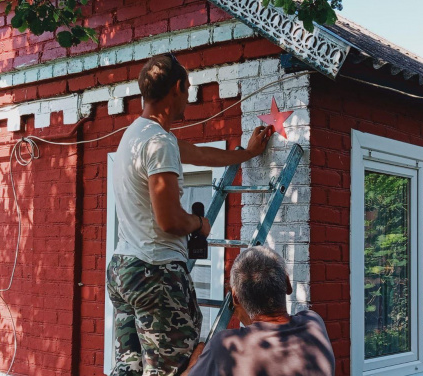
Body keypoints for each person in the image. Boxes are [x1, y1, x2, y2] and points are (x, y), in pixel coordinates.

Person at [106, 53, 273, 376]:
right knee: (174, 370)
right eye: (187, 90)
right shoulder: (158, 142)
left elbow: (197, 153)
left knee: (129, 369)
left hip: (124, 270)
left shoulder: (136, 135)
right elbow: (169, 220)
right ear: (178, 88)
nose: (188, 99)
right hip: (155, 272)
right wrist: (200, 223)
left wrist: (247, 153)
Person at [183, 246, 335, 376]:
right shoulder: (313, 323)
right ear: (288, 284)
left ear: (235, 298)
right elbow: (270, 329)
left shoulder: (226, 346)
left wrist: (193, 365)